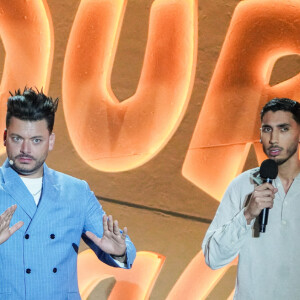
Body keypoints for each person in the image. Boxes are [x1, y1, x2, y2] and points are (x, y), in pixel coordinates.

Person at [0, 88, 136, 299]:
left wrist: (119, 251)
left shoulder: (76, 191)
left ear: (50, 141)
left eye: (36, 140)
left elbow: (123, 249)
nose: (26, 149)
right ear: (5, 137)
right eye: (18, 139)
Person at [202, 98, 300, 299]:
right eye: (266, 129)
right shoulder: (242, 185)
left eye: (283, 129)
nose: (273, 139)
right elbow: (213, 257)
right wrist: (247, 215)